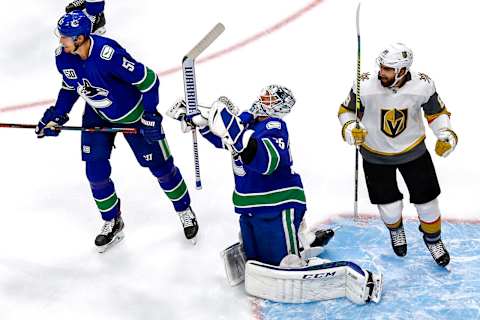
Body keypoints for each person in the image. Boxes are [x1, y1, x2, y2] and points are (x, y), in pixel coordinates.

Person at [167, 86, 383, 304]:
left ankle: (325, 264)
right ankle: (303, 240)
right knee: (258, 258)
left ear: (278, 107)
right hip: (250, 206)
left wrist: (231, 127)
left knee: (285, 262)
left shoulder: (274, 126)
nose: (262, 99)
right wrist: (204, 126)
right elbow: (225, 139)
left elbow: (266, 162)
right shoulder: (248, 123)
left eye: (269, 98)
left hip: (278, 204)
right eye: (263, 94)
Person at [35, 10, 199, 252]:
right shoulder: (63, 57)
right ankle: (112, 220)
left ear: (80, 38)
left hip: (134, 116)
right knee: (95, 171)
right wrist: (58, 114)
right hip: (97, 115)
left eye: (65, 37)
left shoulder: (108, 55)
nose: (61, 41)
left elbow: (149, 80)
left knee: (161, 168)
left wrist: (151, 114)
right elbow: (70, 87)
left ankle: (184, 209)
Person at [338, 43, 457, 267]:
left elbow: (436, 112)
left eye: (387, 69)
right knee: (390, 209)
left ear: (402, 71)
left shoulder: (422, 85)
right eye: (381, 67)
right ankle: (396, 230)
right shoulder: (364, 85)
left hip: (414, 152)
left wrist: (445, 133)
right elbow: (347, 110)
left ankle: (434, 240)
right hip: (375, 155)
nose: (381, 72)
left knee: (428, 203)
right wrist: (350, 127)